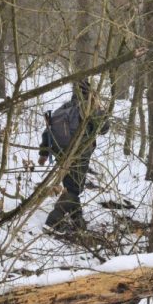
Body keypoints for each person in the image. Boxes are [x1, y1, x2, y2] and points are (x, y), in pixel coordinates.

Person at [39, 80, 110, 234]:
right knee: (73, 189)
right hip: (79, 155)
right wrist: (101, 110)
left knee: (71, 187)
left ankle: (77, 220)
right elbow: (104, 129)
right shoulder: (89, 109)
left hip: (61, 154)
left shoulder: (64, 108)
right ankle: (52, 222)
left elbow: (48, 131)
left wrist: (44, 153)